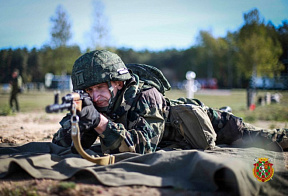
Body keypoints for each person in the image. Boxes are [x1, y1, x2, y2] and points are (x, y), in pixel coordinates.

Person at [52, 50, 288, 154]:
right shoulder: (96, 103)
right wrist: (80, 119)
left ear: (118, 83)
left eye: (100, 88)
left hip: (201, 124)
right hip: (167, 138)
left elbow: (142, 148)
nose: (95, 96)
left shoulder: (147, 96)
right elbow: (62, 144)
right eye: (89, 91)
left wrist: (99, 122)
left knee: (264, 139)